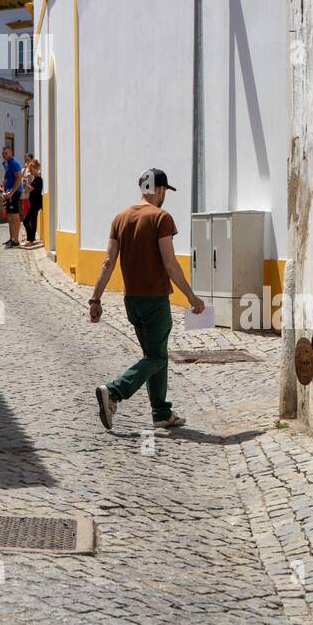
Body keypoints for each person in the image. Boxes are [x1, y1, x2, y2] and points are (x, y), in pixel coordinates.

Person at [89, 167, 205, 432]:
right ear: (160, 190)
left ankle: (161, 412)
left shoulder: (120, 218)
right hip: (155, 300)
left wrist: (95, 299)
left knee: (155, 354)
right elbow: (170, 264)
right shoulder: (161, 217)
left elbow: (108, 262)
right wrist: (191, 296)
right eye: (165, 191)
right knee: (156, 357)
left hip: (132, 302)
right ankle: (114, 392)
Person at [0, 144, 22, 248]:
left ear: (11, 153)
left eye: (6, 153)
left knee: (15, 217)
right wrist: (1, 185)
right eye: (3, 153)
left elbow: (18, 178)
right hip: (7, 193)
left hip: (14, 193)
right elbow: (7, 176)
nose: (4, 155)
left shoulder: (14, 163)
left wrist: (11, 192)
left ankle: (16, 241)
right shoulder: (6, 163)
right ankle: (11, 238)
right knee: (10, 217)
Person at [22, 159, 43, 247]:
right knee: (33, 221)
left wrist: (26, 182)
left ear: (35, 168)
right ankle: (31, 239)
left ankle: (30, 239)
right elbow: (27, 190)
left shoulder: (38, 179)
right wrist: (27, 183)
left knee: (26, 221)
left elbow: (28, 189)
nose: (30, 171)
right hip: (34, 203)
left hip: (35, 203)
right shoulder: (36, 179)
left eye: (31, 169)